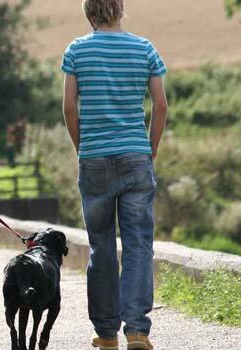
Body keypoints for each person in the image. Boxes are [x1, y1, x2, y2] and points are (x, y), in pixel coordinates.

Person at [60, 1, 169, 349]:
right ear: (121, 10)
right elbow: (161, 104)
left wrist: (83, 147)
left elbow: (68, 105)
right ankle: (137, 330)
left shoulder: (77, 50)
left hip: (94, 159)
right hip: (136, 156)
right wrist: (149, 148)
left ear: (89, 14)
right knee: (138, 244)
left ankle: (106, 334)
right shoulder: (144, 48)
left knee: (101, 246)